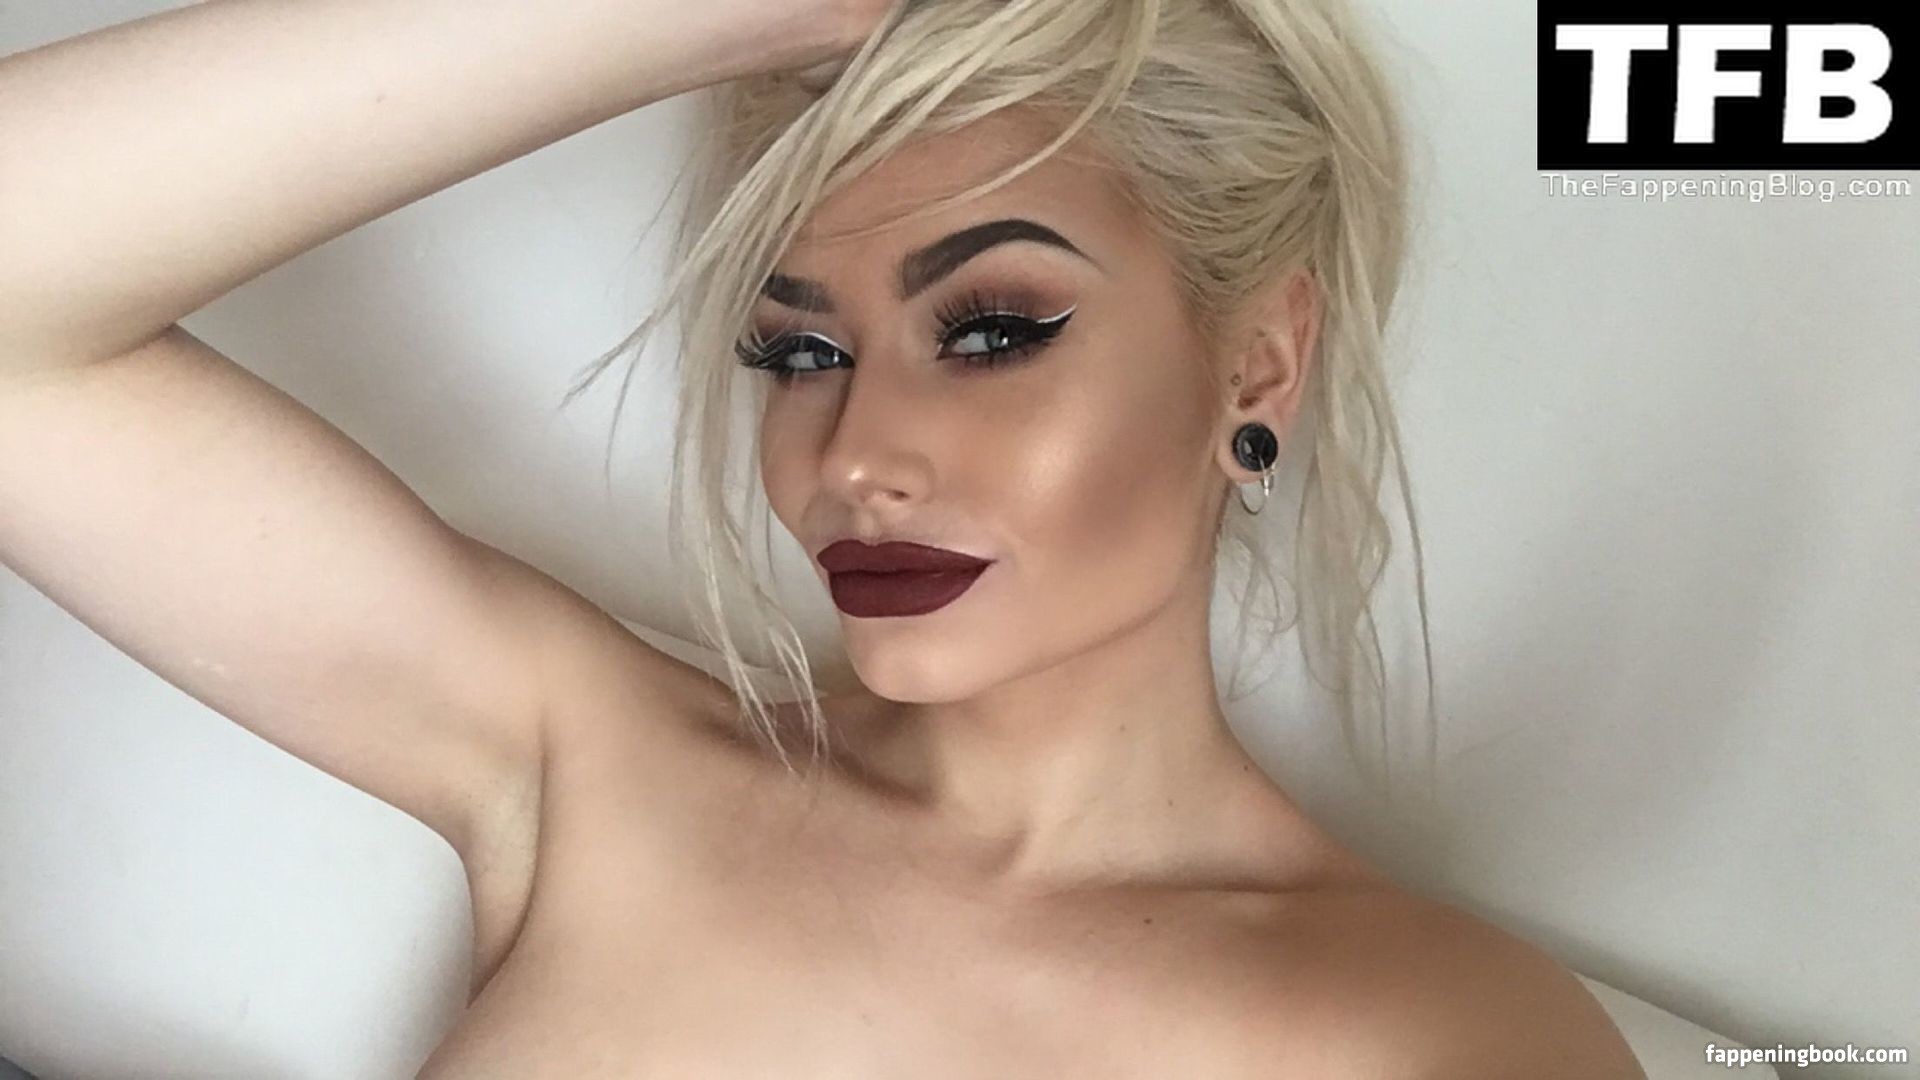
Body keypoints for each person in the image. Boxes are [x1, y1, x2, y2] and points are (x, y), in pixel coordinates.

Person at [0, 0, 1645, 1075]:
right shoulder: (593, 763)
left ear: (1259, 362)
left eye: (992, 331)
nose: (853, 455)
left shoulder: (1425, 1027)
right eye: (799, 352)